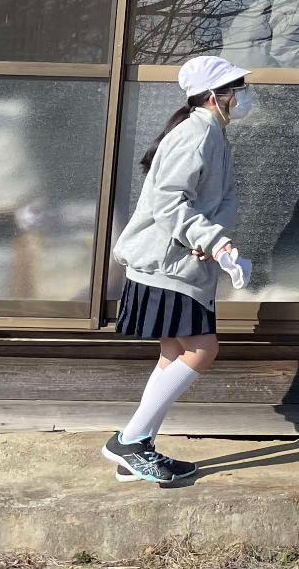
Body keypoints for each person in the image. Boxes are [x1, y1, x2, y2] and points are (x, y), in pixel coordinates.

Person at [102, 54, 249, 487]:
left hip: (174, 263)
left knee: (173, 353)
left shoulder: (208, 132)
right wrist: (214, 241)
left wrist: (209, 240)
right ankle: (129, 442)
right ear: (213, 97)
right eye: (234, 91)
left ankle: (137, 448)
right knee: (203, 350)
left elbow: (195, 204)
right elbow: (169, 202)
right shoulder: (195, 134)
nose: (240, 99)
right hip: (167, 265)